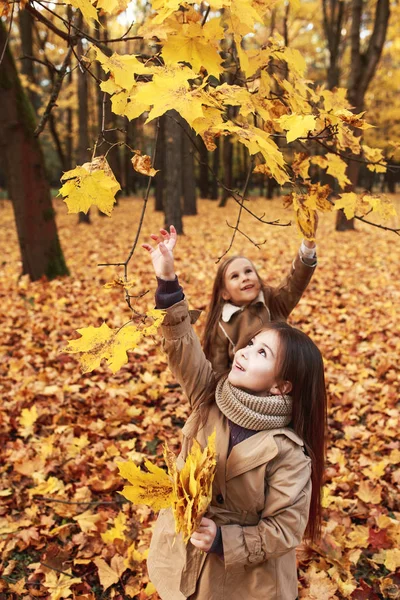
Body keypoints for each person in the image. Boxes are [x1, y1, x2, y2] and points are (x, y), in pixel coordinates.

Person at [142, 226, 327, 600]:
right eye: (251, 344)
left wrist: (226, 540)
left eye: (262, 353)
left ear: (282, 386)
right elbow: (181, 345)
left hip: (243, 584)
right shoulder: (208, 395)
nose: (244, 351)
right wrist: (166, 278)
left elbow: (287, 528)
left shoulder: (289, 453)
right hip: (181, 557)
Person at [202, 235, 318, 373]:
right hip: (248, 387)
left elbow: (295, 282)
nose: (245, 278)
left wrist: (308, 247)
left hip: (284, 374)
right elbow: (218, 370)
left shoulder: (273, 301)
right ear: (225, 293)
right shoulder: (222, 326)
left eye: (248, 271)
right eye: (235, 276)